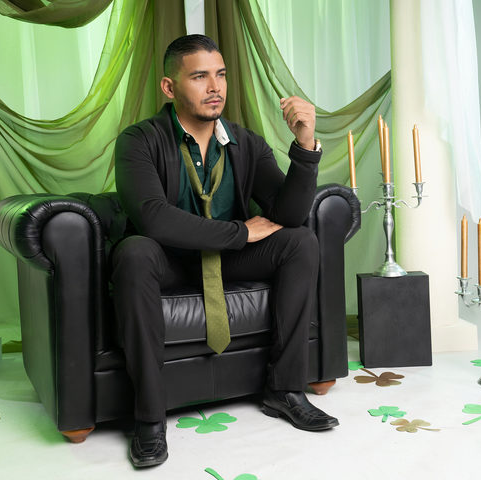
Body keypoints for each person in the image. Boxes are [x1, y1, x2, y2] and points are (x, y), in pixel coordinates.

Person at [113, 34, 338, 469]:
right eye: (199, 76)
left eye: (220, 75)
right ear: (169, 87)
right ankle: (149, 419)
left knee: (299, 242)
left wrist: (305, 145)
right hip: (168, 261)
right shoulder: (138, 140)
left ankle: (284, 390)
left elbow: (289, 215)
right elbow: (154, 219)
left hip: (228, 260)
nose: (215, 87)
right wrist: (239, 232)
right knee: (134, 252)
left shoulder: (245, 142)